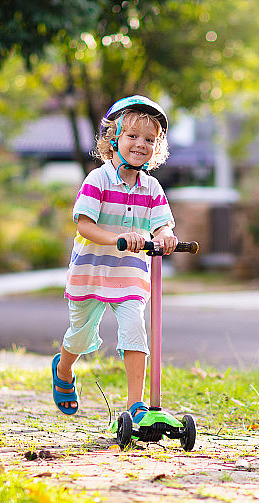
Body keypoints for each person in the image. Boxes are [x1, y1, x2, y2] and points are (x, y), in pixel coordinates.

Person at [52, 95, 178, 424]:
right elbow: (84, 226)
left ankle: (137, 405)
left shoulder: (151, 187)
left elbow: (162, 221)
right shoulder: (98, 180)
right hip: (90, 272)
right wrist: (119, 239)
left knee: (135, 329)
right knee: (80, 335)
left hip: (130, 274)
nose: (141, 144)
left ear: (158, 147)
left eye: (150, 139)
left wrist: (164, 235)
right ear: (113, 139)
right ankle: (64, 370)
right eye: (133, 136)